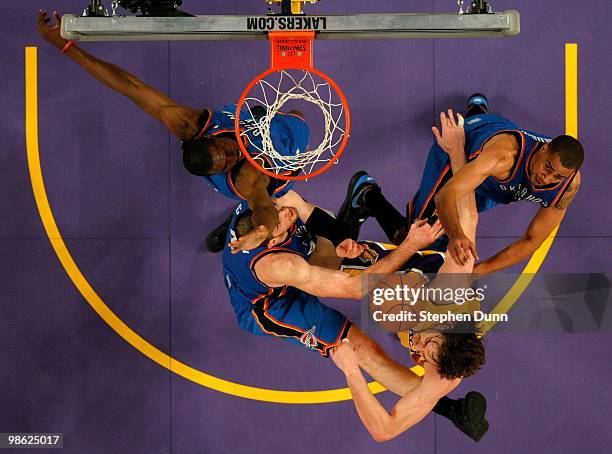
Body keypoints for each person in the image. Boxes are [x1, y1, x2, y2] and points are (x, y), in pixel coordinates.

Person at [37, 10, 307, 248]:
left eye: (228, 149)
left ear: (211, 137)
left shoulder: (191, 125)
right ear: (224, 172)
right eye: (228, 162)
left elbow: (130, 86)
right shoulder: (245, 176)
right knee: (298, 119)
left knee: (260, 113)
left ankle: (239, 214)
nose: (235, 155)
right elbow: (261, 205)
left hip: (252, 123)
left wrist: (66, 46)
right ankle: (235, 222)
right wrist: (261, 231)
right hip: (283, 154)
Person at [330, 112, 487, 441]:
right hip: (420, 271)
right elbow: (469, 217)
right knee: (340, 259)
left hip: (409, 302)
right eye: (428, 343)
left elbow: (384, 431)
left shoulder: (442, 373)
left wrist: (351, 371)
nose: (418, 349)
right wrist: (457, 150)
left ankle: (367, 195)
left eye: (424, 357)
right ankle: (367, 196)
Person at [338, 94, 584, 273]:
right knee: (416, 234)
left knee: (454, 229)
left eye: (557, 177)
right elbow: (445, 196)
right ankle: (367, 194)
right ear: (542, 150)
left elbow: (532, 241)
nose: (547, 179)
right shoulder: (503, 157)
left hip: (493, 184)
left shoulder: (567, 186)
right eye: (548, 168)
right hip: (458, 156)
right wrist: (456, 236)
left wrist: (478, 272)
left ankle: (478, 114)